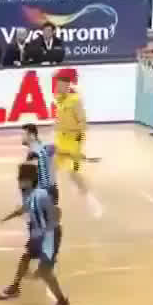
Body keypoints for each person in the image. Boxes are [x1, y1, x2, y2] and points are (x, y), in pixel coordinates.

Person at [0, 162, 71, 305]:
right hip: (38, 233)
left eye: (21, 179)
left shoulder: (42, 195)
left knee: (44, 271)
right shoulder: (30, 194)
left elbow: (57, 212)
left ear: (30, 180)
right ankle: (15, 287)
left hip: (49, 235)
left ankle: (62, 302)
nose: (19, 182)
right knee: (26, 258)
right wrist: (9, 217)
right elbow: (24, 208)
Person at [53, 73, 104, 217]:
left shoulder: (75, 101)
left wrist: (78, 145)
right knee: (51, 167)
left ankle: (91, 200)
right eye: (57, 84)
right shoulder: (59, 99)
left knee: (73, 172)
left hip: (74, 139)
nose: (57, 87)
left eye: (60, 85)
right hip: (61, 139)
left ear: (66, 86)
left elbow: (83, 124)